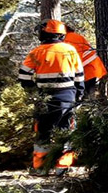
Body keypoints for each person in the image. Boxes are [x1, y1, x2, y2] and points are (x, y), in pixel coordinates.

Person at [18, 19, 84, 174]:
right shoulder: (70, 50)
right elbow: (79, 76)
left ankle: (40, 167)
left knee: (43, 131)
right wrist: (79, 94)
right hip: (68, 96)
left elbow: (23, 75)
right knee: (66, 130)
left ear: (45, 33)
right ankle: (63, 168)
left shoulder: (37, 52)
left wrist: (32, 90)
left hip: (45, 98)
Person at [63, 24, 108, 98]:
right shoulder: (74, 37)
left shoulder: (69, 39)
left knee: (85, 97)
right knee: (89, 95)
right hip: (91, 69)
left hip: (88, 70)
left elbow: (75, 60)